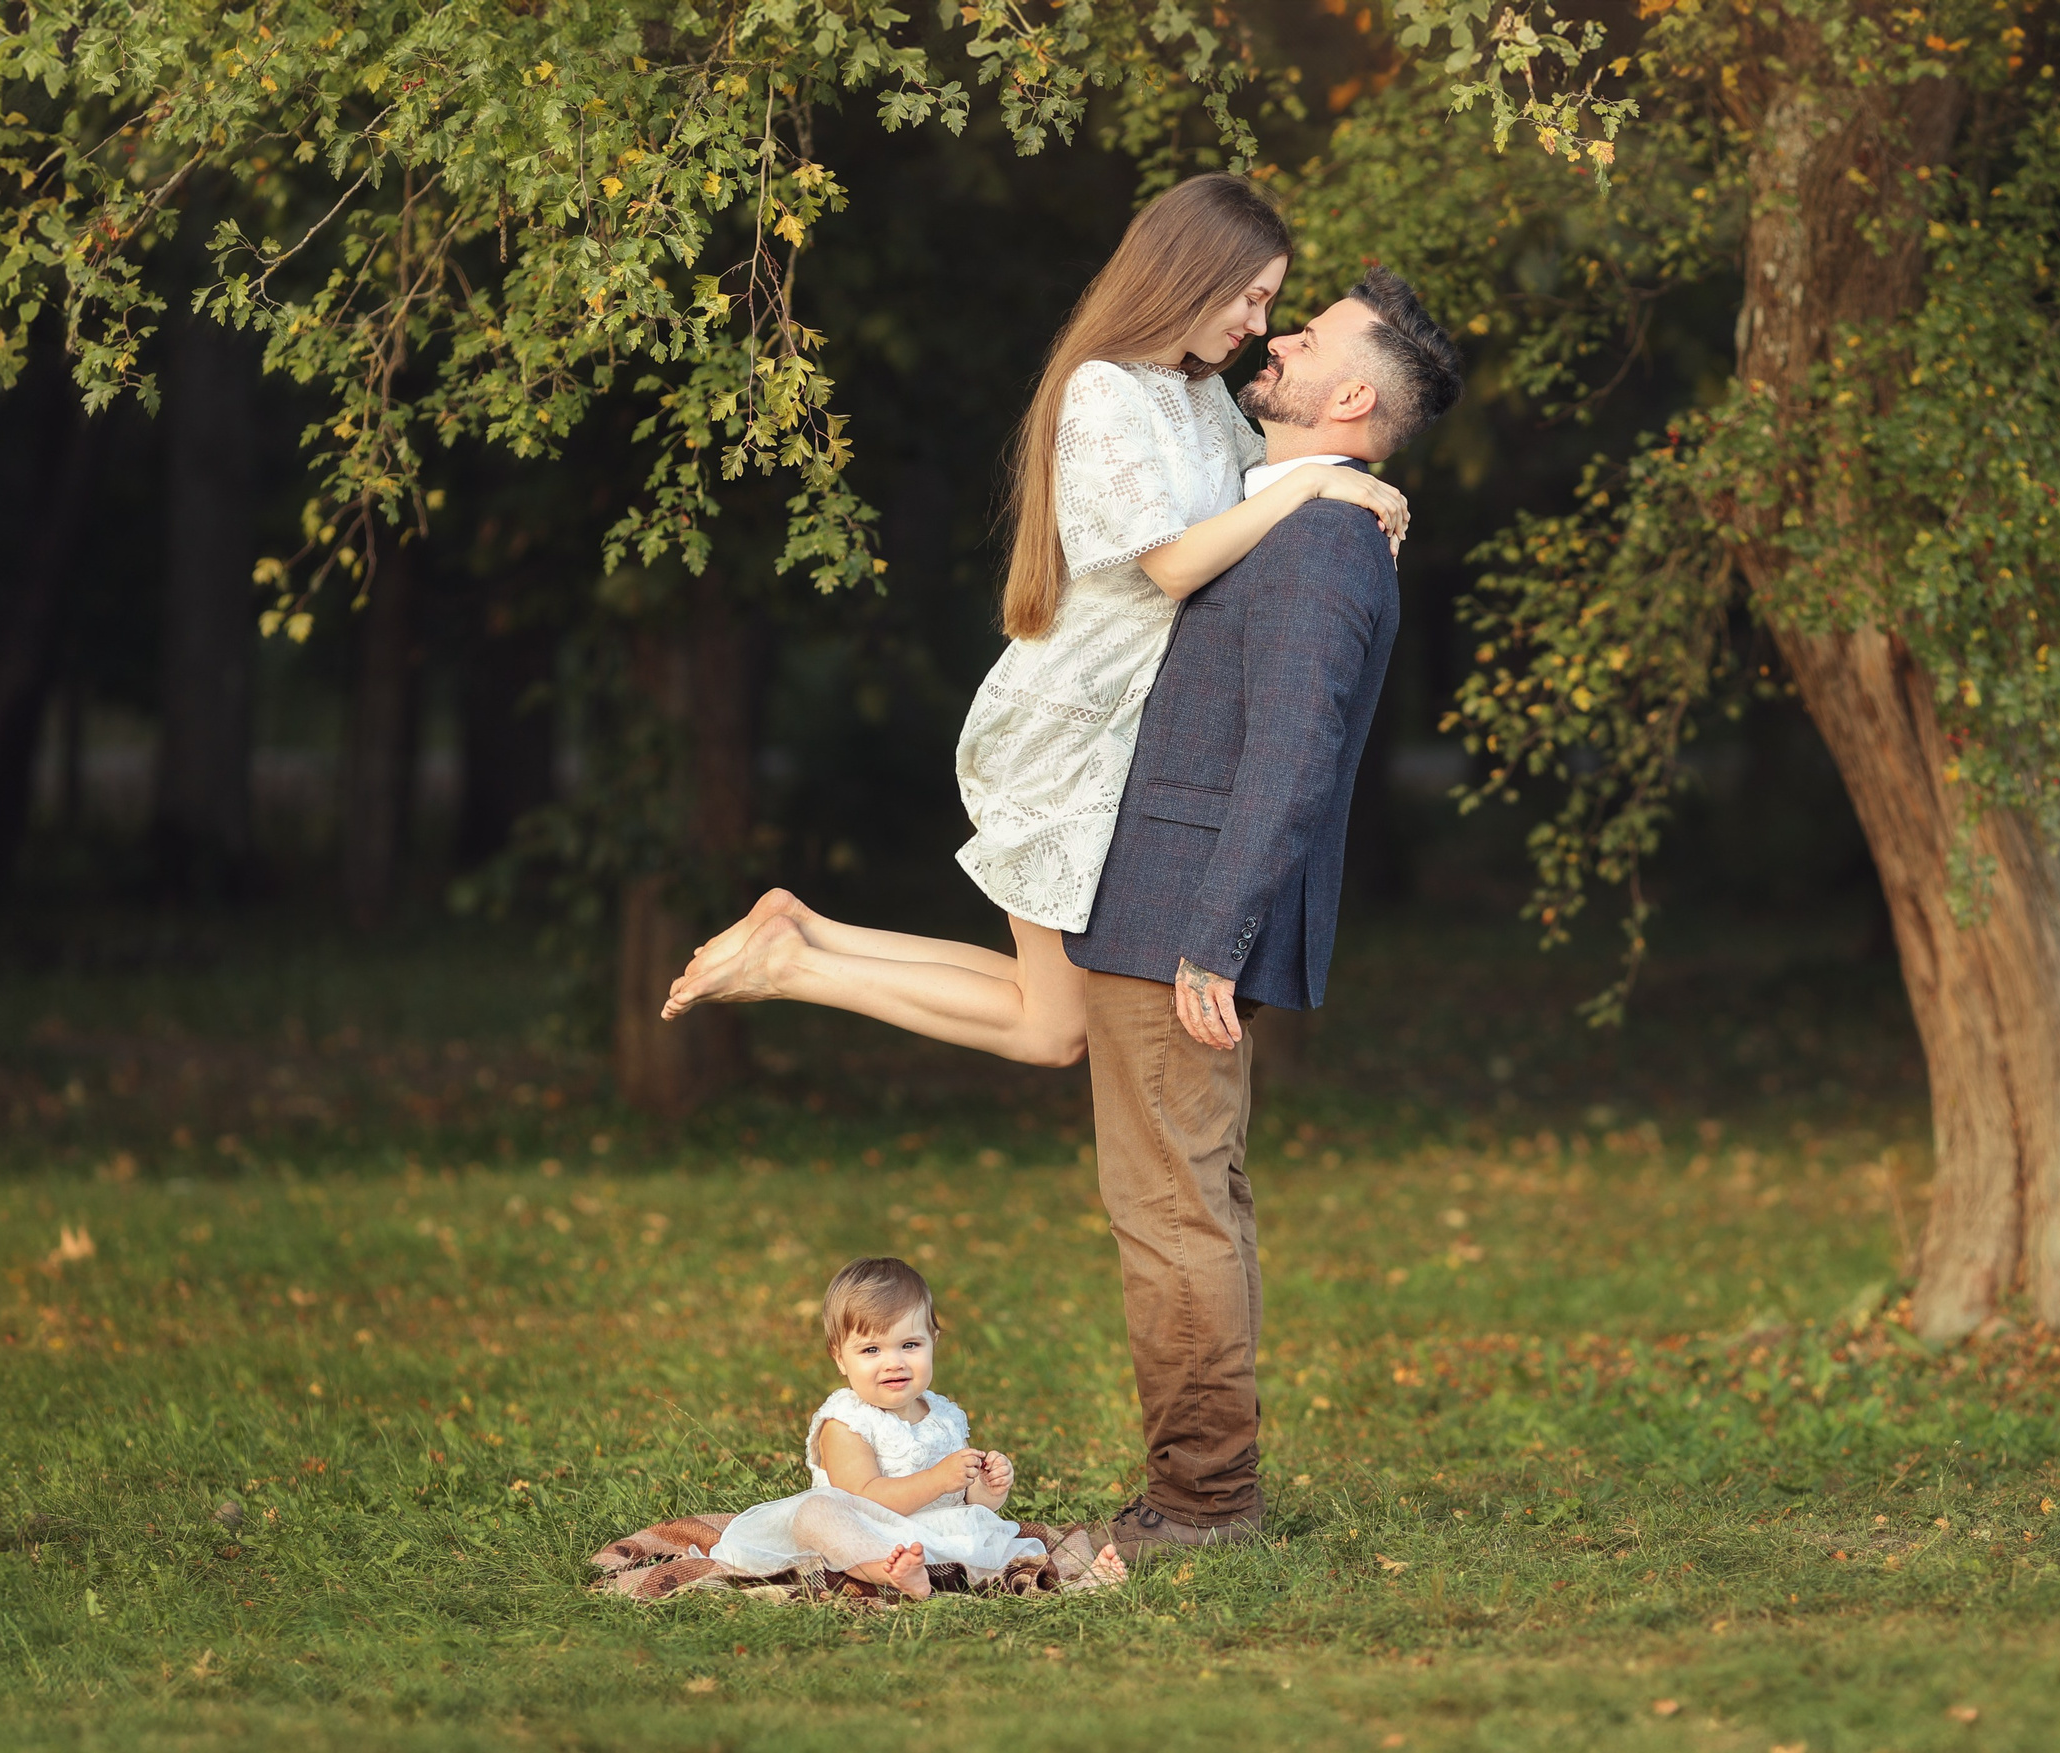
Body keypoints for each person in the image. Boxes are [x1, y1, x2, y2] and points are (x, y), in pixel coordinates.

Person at [658, 173, 1408, 1061]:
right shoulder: (1103, 393)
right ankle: (794, 962)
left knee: (1049, 1012)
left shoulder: (1204, 401)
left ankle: (800, 938)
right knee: (1052, 1029)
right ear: (1190, 275)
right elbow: (1174, 565)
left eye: (1269, 304)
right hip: (1068, 726)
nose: (1255, 325)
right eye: (1252, 298)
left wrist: (1342, 476)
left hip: (1120, 730)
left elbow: (1268, 494)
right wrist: (1325, 482)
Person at [1067, 267, 1464, 1566]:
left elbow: (1293, 756)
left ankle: (1200, 1503)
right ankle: (1204, 1489)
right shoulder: (1298, 512)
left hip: (1179, 913)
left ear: (1351, 396)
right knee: (1193, 1201)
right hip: (1160, 902)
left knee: (1172, 1210)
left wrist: (1213, 935)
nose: (1279, 339)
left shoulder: (1321, 543)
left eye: (1311, 335)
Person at [597, 1257, 1128, 1598]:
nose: (893, 1362)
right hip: (861, 1530)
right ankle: (881, 1572)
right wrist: (942, 1479)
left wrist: (985, 1489)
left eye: (909, 1345)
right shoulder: (844, 1421)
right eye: (871, 1349)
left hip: (925, 1533)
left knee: (992, 1539)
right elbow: (865, 1497)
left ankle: (1079, 1583)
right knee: (817, 1511)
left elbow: (962, 1509)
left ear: (934, 1342)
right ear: (840, 1358)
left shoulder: (944, 1415)